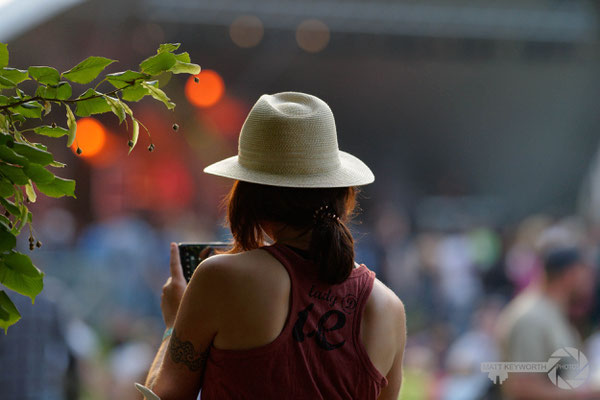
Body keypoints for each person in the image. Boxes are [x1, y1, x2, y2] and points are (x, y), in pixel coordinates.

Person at [141, 92, 406, 399]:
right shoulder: (389, 308)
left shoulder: (222, 278)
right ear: (342, 193)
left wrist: (174, 325)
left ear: (251, 199)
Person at [495, 245, 600, 399]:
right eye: (586, 274)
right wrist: (587, 393)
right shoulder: (532, 317)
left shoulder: (552, 311)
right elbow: (522, 386)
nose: (591, 282)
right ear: (570, 275)